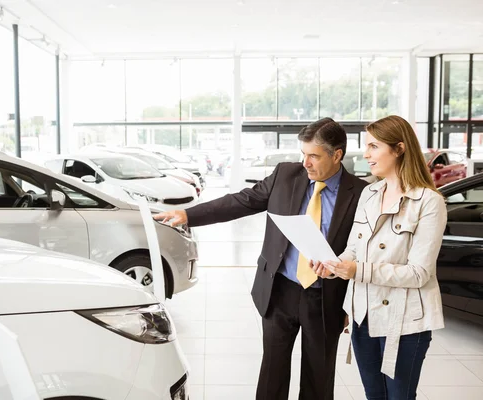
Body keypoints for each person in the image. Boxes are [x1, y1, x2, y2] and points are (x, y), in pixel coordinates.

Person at [154, 118, 368, 400]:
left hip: (325, 297)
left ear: (336, 154)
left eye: (314, 156)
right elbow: (241, 201)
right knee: (272, 373)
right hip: (280, 290)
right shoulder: (286, 175)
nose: (306, 163)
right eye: (303, 154)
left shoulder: (362, 192)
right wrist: (189, 215)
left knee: (319, 375)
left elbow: (363, 247)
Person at [317, 115, 447, 400]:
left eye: (374, 146)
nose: (366, 154)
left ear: (399, 149)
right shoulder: (369, 194)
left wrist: (357, 270)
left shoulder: (428, 202)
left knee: (399, 396)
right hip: (364, 316)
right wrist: (334, 263)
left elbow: (418, 273)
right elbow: (354, 248)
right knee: (374, 395)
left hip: (405, 323)